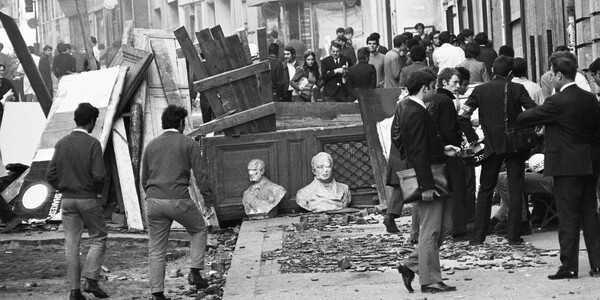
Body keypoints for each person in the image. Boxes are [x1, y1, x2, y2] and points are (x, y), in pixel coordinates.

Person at [517, 53, 600, 280]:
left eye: (552, 75)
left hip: (566, 165)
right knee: (590, 214)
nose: (551, 79)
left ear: (560, 75)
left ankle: (569, 266)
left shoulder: (556, 101)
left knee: (568, 217)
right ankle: (597, 264)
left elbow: (528, 117)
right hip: (590, 163)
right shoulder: (590, 98)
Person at [458, 55, 537, 245]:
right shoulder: (517, 88)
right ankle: (514, 235)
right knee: (516, 188)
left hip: (491, 146)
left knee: (485, 190)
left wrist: (473, 138)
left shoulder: (480, 90)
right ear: (510, 73)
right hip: (515, 147)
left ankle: (478, 237)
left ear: (493, 70)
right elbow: (533, 111)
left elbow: (462, 116)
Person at [141, 105, 215, 300]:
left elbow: (143, 178)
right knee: (199, 230)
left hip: (154, 200)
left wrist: (151, 196)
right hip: (178, 199)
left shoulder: (151, 145)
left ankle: (157, 293)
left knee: (156, 248)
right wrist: (208, 199)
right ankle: (195, 271)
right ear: (181, 123)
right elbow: (201, 175)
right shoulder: (188, 143)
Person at [397, 71, 461, 294]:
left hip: (433, 174)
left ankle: (411, 265)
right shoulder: (414, 112)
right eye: (433, 86)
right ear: (424, 88)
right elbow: (417, 152)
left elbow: (422, 146)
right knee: (431, 231)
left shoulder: (414, 109)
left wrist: (443, 149)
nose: (435, 90)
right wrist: (425, 186)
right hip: (429, 179)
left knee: (445, 227)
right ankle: (430, 279)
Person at [46, 103, 108, 300]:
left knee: (72, 245)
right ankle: (90, 278)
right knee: (98, 237)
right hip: (88, 198)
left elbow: (50, 174)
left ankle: (74, 291)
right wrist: (96, 192)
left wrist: (63, 187)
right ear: (90, 121)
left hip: (67, 200)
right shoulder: (93, 144)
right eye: (94, 122)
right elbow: (99, 176)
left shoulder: (61, 143)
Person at [428, 68, 469, 236]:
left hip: (441, 152)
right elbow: (448, 128)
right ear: (444, 82)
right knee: (458, 189)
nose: (458, 86)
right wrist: (457, 142)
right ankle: (458, 229)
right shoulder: (445, 101)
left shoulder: (437, 99)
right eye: (455, 82)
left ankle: (448, 227)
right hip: (450, 152)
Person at [490, 154, 552, 234]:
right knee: (499, 178)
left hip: (552, 173)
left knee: (511, 179)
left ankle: (522, 222)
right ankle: (503, 217)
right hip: (540, 166)